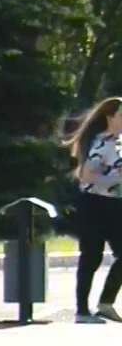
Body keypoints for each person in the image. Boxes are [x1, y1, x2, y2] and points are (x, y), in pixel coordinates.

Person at [66, 97, 122, 324]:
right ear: (110, 117)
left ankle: (106, 303)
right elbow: (87, 175)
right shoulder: (102, 143)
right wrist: (115, 179)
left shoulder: (118, 142)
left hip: (116, 205)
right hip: (94, 205)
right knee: (91, 256)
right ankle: (82, 311)